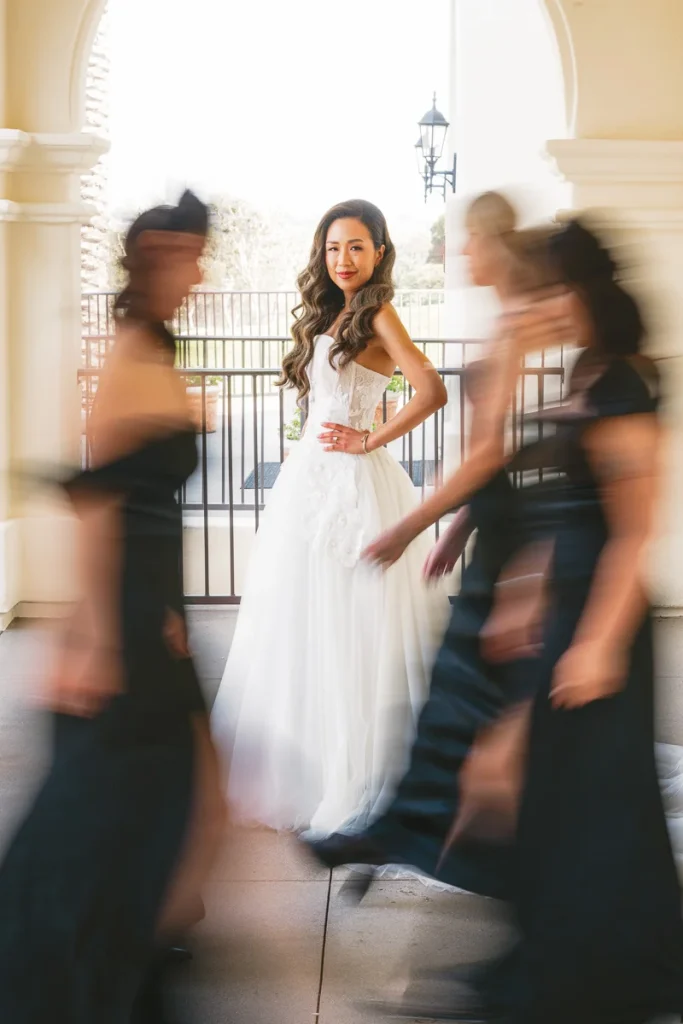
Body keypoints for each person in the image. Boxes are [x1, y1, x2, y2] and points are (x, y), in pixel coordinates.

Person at [0, 190, 224, 1023]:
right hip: (123, 610)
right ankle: (76, 946)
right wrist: (87, 636)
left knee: (178, 782)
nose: (201, 269)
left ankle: (141, 927)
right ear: (161, 253)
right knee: (123, 790)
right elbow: (95, 505)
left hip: (151, 602)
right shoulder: (131, 353)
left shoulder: (155, 348)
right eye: (193, 253)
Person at [305, 194, 564, 909]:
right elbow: (493, 451)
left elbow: (486, 452)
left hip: (511, 534)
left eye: (462, 242)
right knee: (459, 694)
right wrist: (452, 528)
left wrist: (410, 522)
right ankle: (403, 831)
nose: (454, 255)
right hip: (492, 525)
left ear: (489, 246)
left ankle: (401, 833)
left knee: (462, 694)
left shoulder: (516, 329)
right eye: (334, 247)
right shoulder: (508, 325)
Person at [489, 218, 683, 1024]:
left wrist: (599, 643)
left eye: (553, 289)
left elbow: (632, 528)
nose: (543, 305)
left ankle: (608, 964)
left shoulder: (621, 384)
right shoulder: (589, 368)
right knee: (565, 795)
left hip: (597, 622)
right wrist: (528, 592)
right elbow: (563, 507)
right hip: (565, 607)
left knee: (597, 799)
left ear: (584, 289)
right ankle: (584, 949)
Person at [211, 199, 449, 836]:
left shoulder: (379, 313)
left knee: (351, 622)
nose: (342, 260)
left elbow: (432, 391)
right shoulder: (332, 313)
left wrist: (370, 440)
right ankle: (304, 768)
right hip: (307, 484)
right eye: (332, 248)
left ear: (379, 252)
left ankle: (356, 770)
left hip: (353, 488)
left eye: (356, 247)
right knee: (300, 618)